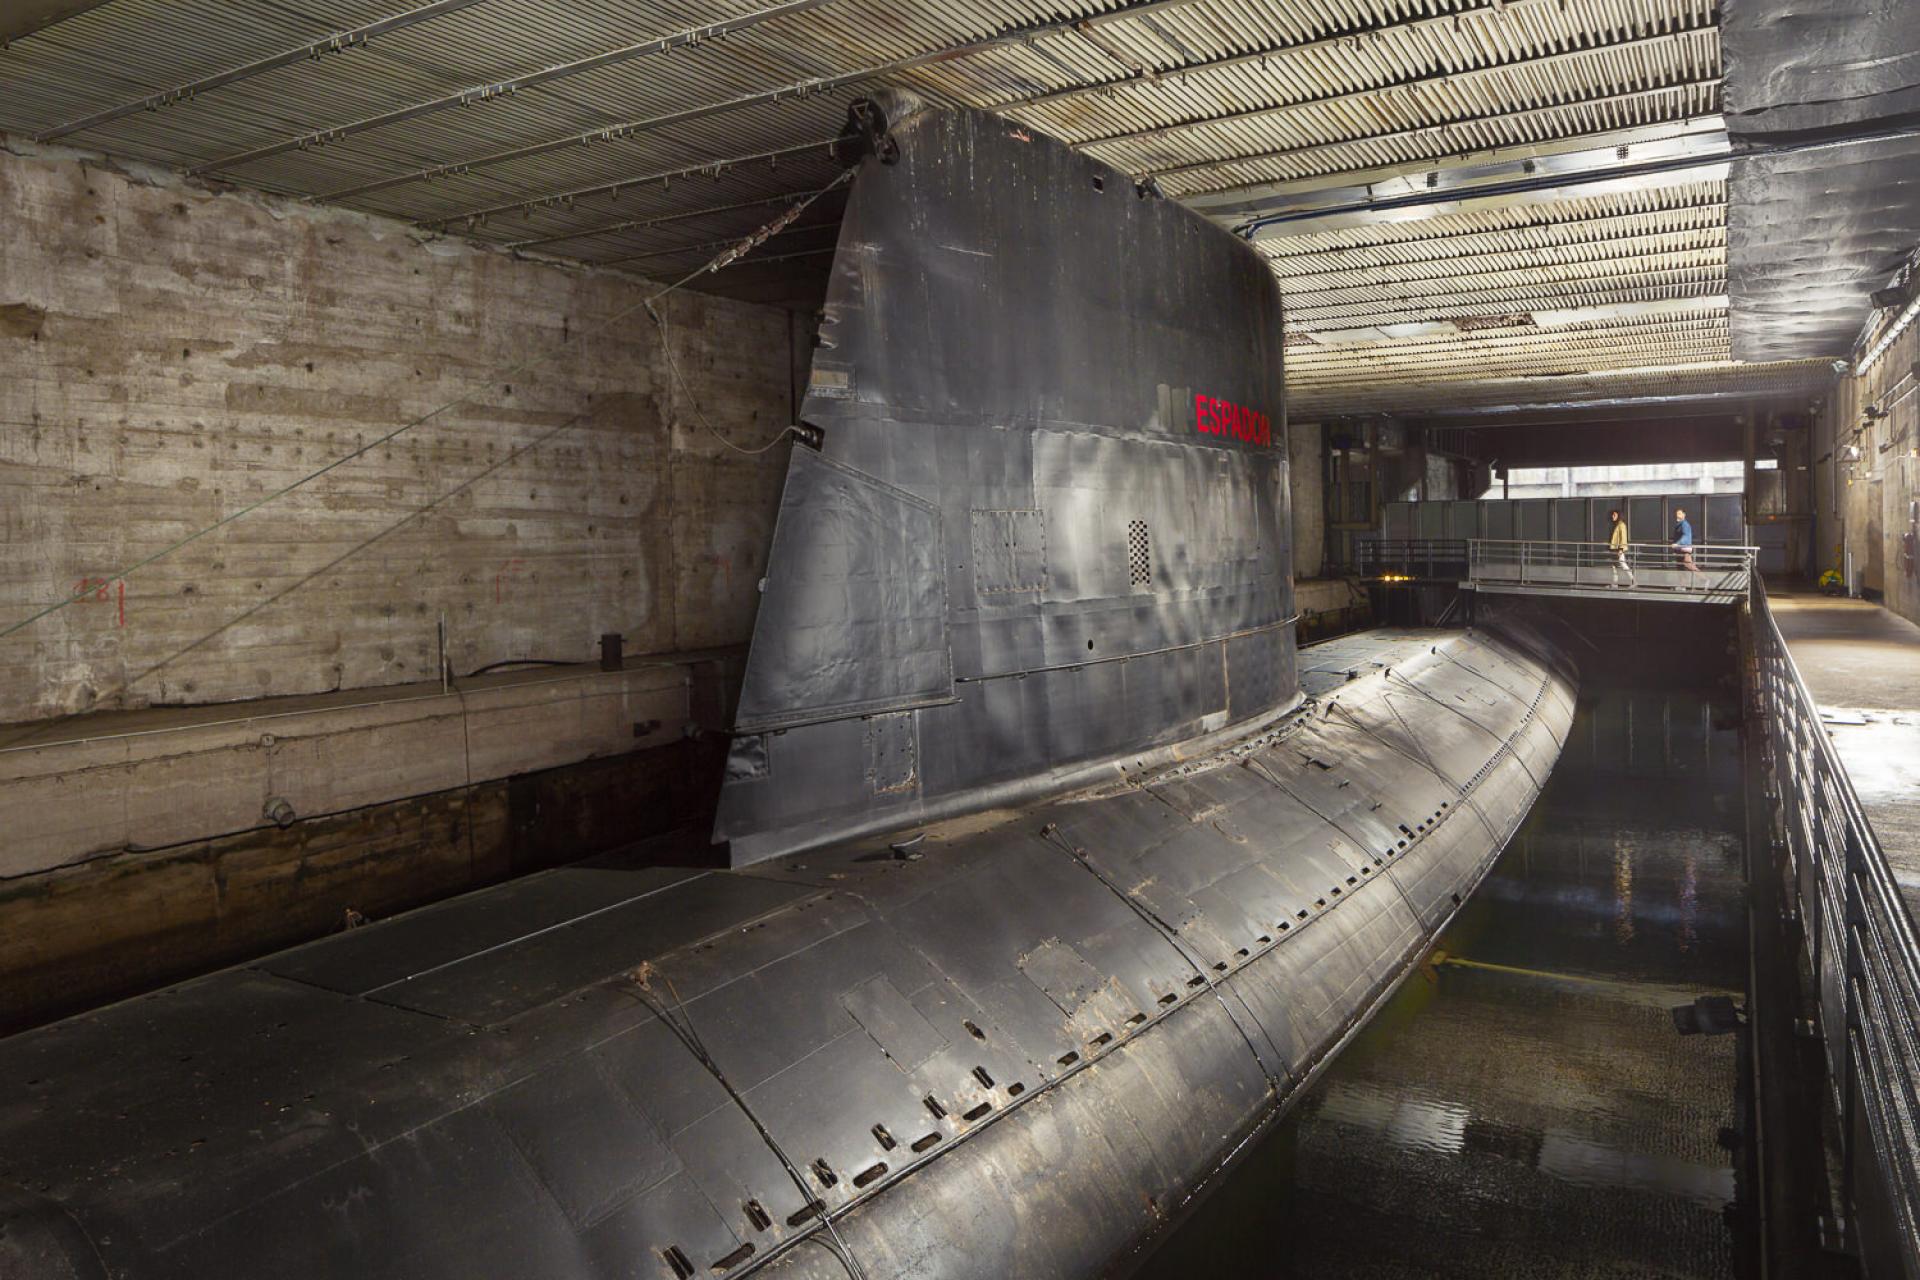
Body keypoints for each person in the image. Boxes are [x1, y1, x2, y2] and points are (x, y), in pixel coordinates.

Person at [1607, 508, 1635, 587]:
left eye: (1614, 515)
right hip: (1614, 548)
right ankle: (1615, 583)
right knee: (1614, 566)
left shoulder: (1621, 525)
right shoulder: (1616, 524)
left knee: (1623, 564)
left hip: (1618, 549)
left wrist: (1621, 549)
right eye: (1612, 515)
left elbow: (1623, 537)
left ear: (1619, 516)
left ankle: (1633, 581)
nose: (1613, 516)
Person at [1672, 507, 1698, 573]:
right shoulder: (1679, 525)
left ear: (1684, 514)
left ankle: (1705, 579)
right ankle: (1682, 583)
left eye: (1679, 514)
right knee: (1680, 568)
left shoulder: (1684, 524)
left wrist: (1678, 544)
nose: (1677, 515)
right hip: (1680, 549)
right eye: (1677, 514)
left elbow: (1686, 536)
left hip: (1684, 549)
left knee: (1688, 565)